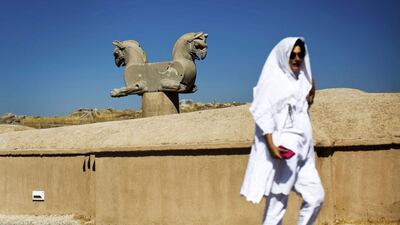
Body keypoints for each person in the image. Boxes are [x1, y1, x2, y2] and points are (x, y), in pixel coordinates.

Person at [240, 37, 324, 225]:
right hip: (285, 150)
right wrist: (271, 145)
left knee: (316, 197)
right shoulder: (274, 82)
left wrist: (309, 79)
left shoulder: (302, 81)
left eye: (300, 55)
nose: (296, 59)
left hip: (305, 153)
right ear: (283, 56)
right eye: (292, 55)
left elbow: (306, 103)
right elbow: (263, 113)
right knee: (277, 207)